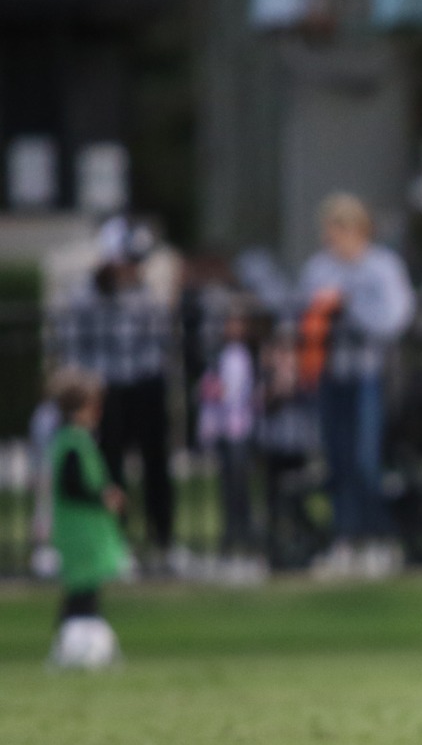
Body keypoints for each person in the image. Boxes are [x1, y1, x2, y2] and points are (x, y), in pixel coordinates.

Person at [300, 193, 416, 580]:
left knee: (367, 461)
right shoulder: (318, 269)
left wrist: (349, 307)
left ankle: (379, 538)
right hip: (331, 375)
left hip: (369, 375)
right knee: (337, 460)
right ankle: (345, 539)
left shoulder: (382, 267)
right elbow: (301, 318)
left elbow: (394, 320)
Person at [50, 250, 175, 565]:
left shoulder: (144, 296)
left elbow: (160, 339)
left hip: (143, 382)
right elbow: (72, 343)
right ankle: (114, 540)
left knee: (156, 461)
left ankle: (162, 538)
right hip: (104, 385)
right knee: (109, 461)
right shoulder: (84, 298)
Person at [44, 368, 130, 667]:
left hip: (84, 530)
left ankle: (71, 644)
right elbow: (72, 485)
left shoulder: (74, 440)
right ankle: (81, 646)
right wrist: (103, 497)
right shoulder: (73, 443)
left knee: (82, 590)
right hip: (81, 532)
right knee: (83, 591)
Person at [197, 303, 264, 582]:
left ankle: (245, 539)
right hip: (225, 430)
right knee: (228, 487)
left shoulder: (243, 356)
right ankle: (232, 537)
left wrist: (216, 391)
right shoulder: (218, 356)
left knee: (240, 488)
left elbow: (231, 392)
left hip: (239, 429)